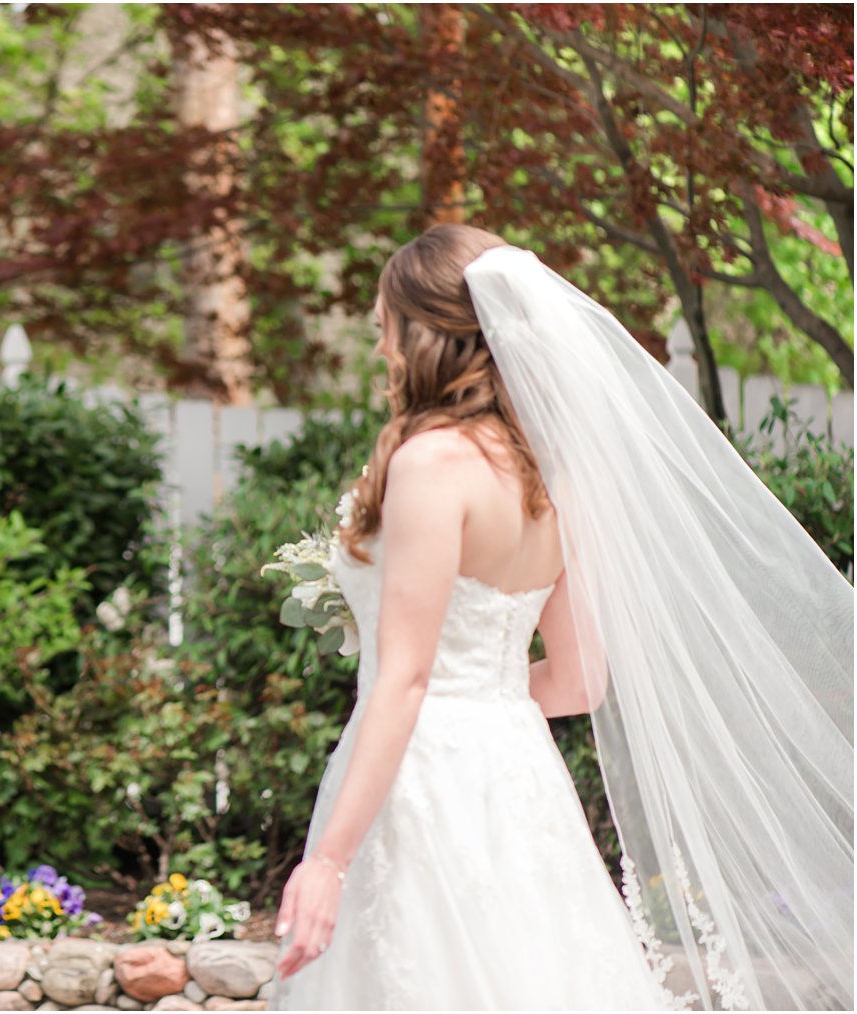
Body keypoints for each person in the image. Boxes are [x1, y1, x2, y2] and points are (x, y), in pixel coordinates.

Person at [270, 225, 853, 1010]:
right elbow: (581, 680)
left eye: (386, 328)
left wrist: (328, 862)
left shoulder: (430, 463)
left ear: (432, 333)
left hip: (421, 782)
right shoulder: (556, 478)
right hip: (519, 777)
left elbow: (405, 680)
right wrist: (486, 699)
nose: (382, 351)